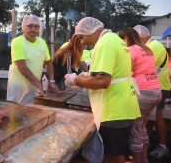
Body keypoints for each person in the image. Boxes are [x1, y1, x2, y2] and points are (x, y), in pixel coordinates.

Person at [65, 17, 141, 163]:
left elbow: (102, 81)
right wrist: (88, 75)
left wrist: (75, 80)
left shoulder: (104, 43)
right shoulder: (114, 38)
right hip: (123, 104)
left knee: (111, 155)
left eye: (82, 37)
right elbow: (112, 73)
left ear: (90, 30)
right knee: (116, 152)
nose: (83, 42)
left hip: (114, 109)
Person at [119, 28, 162, 163]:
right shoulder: (148, 50)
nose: (123, 42)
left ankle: (136, 161)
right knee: (142, 127)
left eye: (123, 39)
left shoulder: (132, 49)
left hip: (142, 93)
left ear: (128, 38)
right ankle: (144, 158)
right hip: (155, 91)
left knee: (135, 129)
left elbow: (128, 71)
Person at [134, 25, 170, 159]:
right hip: (156, 86)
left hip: (158, 86)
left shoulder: (152, 47)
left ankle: (163, 146)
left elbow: (140, 66)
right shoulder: (153, 45)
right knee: (148, 120)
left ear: (141, 37)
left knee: (157, 117)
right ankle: (145, 145)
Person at [6, 14, 57, 105]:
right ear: (23, 27)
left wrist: (52, 81)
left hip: (34, 86)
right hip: (19, 87)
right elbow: (22, 67)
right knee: (16, 114)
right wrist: (39, 84)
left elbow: (48, 63)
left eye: (36, 26)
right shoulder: (17, 42)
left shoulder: (42, 42)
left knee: (32, 113)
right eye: (29, 26)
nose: (33, 29)